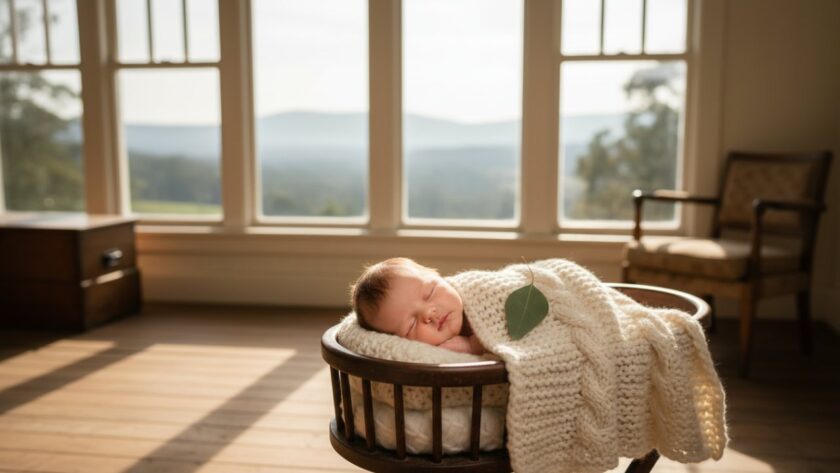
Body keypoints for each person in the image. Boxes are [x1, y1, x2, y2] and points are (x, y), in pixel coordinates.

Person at [351, 257, 485, 354]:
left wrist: (474, 346)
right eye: (411, 325)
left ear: (438, 275)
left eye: (430, 293)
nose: (428, 313)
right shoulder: (436, 354)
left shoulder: (479, 292)